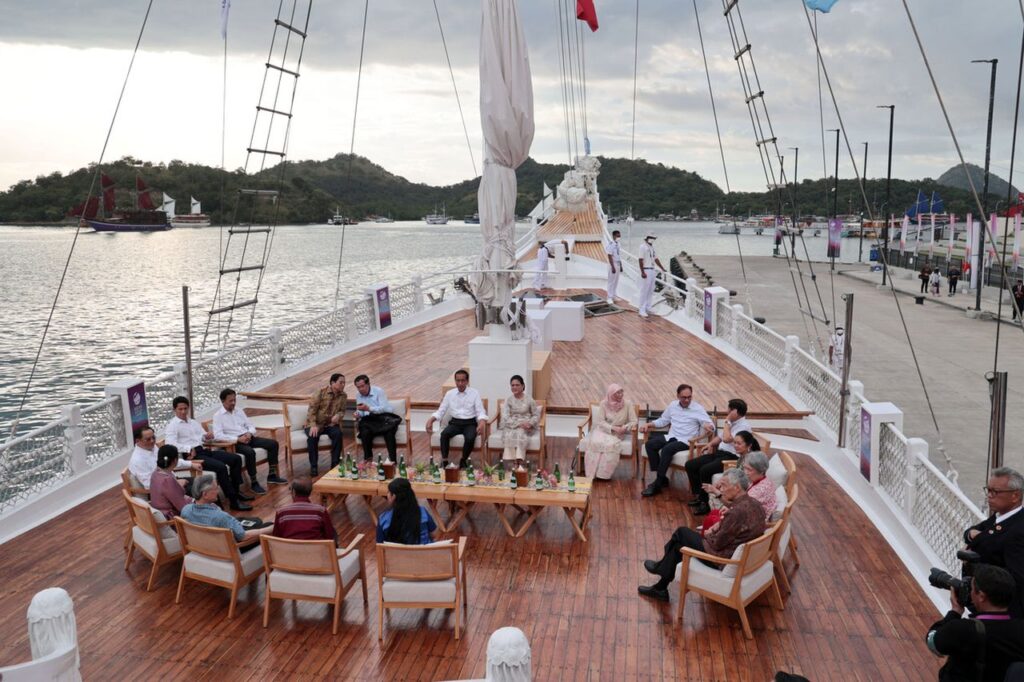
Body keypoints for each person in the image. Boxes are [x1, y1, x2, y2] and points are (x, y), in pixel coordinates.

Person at [638, 468, 766, 602]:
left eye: (724, 486)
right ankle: (660, 587)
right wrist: (720, 525)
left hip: (722, 558)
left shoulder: (736, 513)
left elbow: (717, 543)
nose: (721, 489)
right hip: (737, 554)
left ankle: (661, 569)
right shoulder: (755, 504)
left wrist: (710, 532)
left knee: (682, 533)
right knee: (678, 546)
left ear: (737, 487)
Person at [926, 564, 1024, 681]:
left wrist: (955, 612)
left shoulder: (964, 629)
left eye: (971, 589)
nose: (970, 593)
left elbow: (933, 642)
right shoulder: (1020, 629)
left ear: (981, 596)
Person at [164, 396, 251, 510]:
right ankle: (233, 502)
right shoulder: (173, 426)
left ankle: (236, 492)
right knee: (221, 467)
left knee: (235, 459)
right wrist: (188, 448)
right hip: (192, 456)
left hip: (203, 450)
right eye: (180, 409)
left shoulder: (193, 422)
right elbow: (170, 444)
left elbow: (203, 438)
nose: (183, 411)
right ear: (174, 410)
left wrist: (207, 436)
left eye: (185, 408)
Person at [965, 467, 1024, 618]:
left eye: (995, 492)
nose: (989, 496)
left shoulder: (1018, 530)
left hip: (1001, 614)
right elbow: (975, 531)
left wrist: (972, 563)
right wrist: (971, 535)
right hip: (982, 603)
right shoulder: (1001, 517)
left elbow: (1015, 578)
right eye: (988, 490)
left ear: (1015, 495)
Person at [639, 384, 714, 497]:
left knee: (667, 449)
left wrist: (709, 425)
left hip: (687, 440)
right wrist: (649, 424)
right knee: (650, 444)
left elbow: (708, 423)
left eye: (689, 397)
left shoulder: (697, 408)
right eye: (684, 397)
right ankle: (663, 478)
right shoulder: (673, 405)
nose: (687, 400)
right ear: (678, 396)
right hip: (672, 436)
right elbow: (663, 420)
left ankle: (658, 484)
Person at [683, 399, 753, 512]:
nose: (727, 411)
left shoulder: (743, 426)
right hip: (720, 453)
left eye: (728, 409)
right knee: (691, 464)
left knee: (705, 470)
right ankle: (700, 496)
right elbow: (720, 437)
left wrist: (727, 421)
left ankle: (705, 503)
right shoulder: (732, 423)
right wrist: (710, 444)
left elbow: (726, 439)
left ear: (734, 411)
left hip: (732, 457)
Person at [213, 388, 286, 494]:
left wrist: (249, 433)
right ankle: (254, 482)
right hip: (235, 442)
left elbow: (250, 425)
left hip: (247, 436)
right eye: (230, 401)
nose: (233, 403)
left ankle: (272, 475)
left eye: (234, 400)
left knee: (273, 444)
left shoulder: (239, 411)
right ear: (223, 401)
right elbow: (218, 435)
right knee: (249, 452)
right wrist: (238, 439)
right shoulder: (218, 416)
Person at [181, 473, 273, 549]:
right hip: (229, 550)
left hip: (203, 547)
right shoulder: (220, 516)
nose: (218, 491)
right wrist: (270, 529)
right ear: (205, 494)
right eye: (215, 488)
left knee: (255, 521)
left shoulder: (186, 510)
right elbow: (244, 537)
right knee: (268, 526)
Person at [425, 369, 488, 468]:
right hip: (455, 423)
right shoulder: (450, 394)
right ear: (455, 381)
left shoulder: (474, 393)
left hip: (470, 423)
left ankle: (463, 460)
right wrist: (431, 420)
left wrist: (481, 423)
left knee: (470, 437)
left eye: (463, 381)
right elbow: (441, 411)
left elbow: (480, 411)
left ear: (467, 381)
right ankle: (445, 461)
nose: (460, 383)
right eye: (458, 381)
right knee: (444, 434)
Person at [701, 450, 776, 524]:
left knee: (711, 520)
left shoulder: (760, 490)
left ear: (761, 471)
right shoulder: (759, 480)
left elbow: (740, 507)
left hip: (750, 523)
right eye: (745, 468)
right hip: (745, 514)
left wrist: (717, 493)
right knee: (714, 513)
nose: (746, 472)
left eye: (749, 470)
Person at [583, 383, 637, 480]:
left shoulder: (628, 404)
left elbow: (634, 421)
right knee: (595, 442)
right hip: (603, 431)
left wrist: (625, 427)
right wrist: (612, 427)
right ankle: (592, 473)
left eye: (621, 392)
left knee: (611, 445)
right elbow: (600, 421)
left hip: (617, 434)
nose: (621, 395)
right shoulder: (604, 403)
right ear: (611, 394)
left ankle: (603, 475)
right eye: (617, 393)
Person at [128, 426, 200, 490]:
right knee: (203, 491)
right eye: (148, 439)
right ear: (137, 441)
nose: (152, 441)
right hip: (163, 491)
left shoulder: (152, 447)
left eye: (153, 437)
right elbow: (149, 485)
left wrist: (191, 464)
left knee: (204, 483)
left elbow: (170, 462)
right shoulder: (138, 460)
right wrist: (176, 484)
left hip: (172, 481)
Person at [270, 476, 337, 543]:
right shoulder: (320, 511)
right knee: (333, 532)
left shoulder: (281, 512)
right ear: (310, 492)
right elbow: (329, 537)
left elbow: (276, 538)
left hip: (289, 552)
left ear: (293, 492)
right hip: (315, 552)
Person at [305, 373, 347, 476]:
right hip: (316, 424)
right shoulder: (320, 392)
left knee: (338, 434)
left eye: (344, 383)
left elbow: (342, 411)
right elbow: (312, 410)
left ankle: (335, 464)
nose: (343, 385)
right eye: (341, 382)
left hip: (330, 425)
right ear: (333, 383)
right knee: (312, 436)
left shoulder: (343, 396)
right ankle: (314, 466)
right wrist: (313, 425)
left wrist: (338, 415)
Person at [353, 374, 400, 462]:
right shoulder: (358, 395)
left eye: (362, 386)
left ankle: (393, 461)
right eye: (358, 387)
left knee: (389, 432)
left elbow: (384, 408)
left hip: (383, 417)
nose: (360, 389)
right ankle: (368, 459)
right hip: (370, 419)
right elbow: (361, 411)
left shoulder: (379, 391)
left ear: (368, 384)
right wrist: (358, 414)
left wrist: (369, 408)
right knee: (364, 431)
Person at [375, 477, 437, 545]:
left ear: (393, 496)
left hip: (396, 555)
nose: (387, 494)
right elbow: (433, 534)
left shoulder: (383, 519)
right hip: (425, 554)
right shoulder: (422, 512)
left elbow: (380, 545)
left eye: (388, 492)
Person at [496, 375, 540, 464]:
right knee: (509, 434)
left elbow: (536, 415)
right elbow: (505, 417)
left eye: (517, 385)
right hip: (512, 424)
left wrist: (530, 424)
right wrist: (518, 424)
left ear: (523, 386)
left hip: (526, 425)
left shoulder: (529, 399)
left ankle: (519, 461)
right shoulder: (509, 400)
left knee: (520, 432)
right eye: (512, 385)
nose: (514, 387)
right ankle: (512, 462)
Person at [148, 445, 196, 518]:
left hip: (162, 512)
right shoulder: (167, 480)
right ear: (175, 460)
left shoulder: (155, 473)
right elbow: (183, 507)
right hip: (173, 518)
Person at [637, 234, 666, 318]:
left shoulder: (652, 248)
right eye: (652, 238)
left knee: (651, 290)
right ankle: (641, 309)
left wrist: (662, 268)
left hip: (652, 270)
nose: (653, 239)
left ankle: (648, 307)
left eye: (654, 238)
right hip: (646, 270)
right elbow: (640, 260)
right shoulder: (642, 247)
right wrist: (642, 272)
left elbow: (656, 259)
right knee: (644, 290)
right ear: (647, 238)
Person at [605, 230, 622, 304]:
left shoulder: (618, 244)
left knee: (616, 281)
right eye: (618, 236)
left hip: (618, 264)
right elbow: (609, 255)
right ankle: (609, 297)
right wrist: (613, 267)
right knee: (611, 281)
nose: (619, 237)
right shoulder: (611, 244)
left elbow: (619, 255)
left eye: (619, 236)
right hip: (613, 264)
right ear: (614, 236)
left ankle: (614, 295)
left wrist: (621, 266)